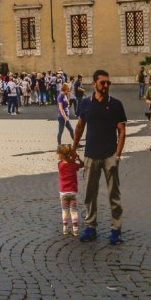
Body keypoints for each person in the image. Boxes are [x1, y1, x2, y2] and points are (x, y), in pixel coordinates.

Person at [71, 69, 127, 245]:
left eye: (108, 83)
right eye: (103, 82)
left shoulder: (116, 104)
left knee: (114, 195)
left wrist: (117, 154)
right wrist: (73, 148)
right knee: (89, 193)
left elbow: (122, 131)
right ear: (94, 83)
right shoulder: (86, 104)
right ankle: (90, 226)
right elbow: (80, 126)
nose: (106, 85)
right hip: (91, 155)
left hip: (110, 154)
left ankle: (116, 229)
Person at [56, 143, 82, 236]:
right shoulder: (74, 165)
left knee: (65, 210)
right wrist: (78, 159)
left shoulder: (60, 165)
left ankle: (65, 228)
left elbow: (63, 161)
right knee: (73, 210)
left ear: (61, 155)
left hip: (63, 192)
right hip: (73, 192)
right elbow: (81, 165)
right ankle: (75, 229)